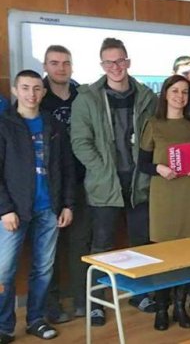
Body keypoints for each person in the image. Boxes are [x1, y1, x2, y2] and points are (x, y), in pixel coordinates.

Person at [70, 38, 157, 326]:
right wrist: (102, 170)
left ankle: (139, 294)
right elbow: (80, 142)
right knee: (102, 246)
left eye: (120, 61)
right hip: (104, 184)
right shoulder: (87, 98)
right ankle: (96, 303)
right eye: (109, 62)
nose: (115, 67)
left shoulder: (147, 96)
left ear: (128, 61)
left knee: (141, 243)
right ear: (102, 65)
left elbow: (154, 137)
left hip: (139, 181)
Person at [0, 70, 75, 343]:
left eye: (36, 88)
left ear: (43, 92)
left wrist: (67, 204)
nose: (31, 94)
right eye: (25, 88)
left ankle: (36, 320)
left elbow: (66, 168)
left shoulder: (52, 125)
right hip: (14, 211)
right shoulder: (4, 124)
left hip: (48, 209)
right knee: (4, 272)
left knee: (43, 269)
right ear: (15, 90)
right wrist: (4, 209)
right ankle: (4, 327)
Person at [139, 75, 190, 331]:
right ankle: (161, 307)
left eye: (185, 92)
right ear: (165, 94)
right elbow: (142, 163)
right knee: (163, 253)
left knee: (188, 252)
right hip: (164, 195)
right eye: (175, 91)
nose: (180, 96)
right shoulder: (153, 123)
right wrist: (159, 168)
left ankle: (180, 305)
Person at [40, 45, 91, 323]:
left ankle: (82, 300)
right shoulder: (37, 96)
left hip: (82, 181)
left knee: (80, 245)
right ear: (45, 66)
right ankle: (52, 305)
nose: (61, 68)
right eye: (54, 63)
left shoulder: (83, 95)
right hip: (49, 184)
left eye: (66, 63)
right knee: (49, 250)